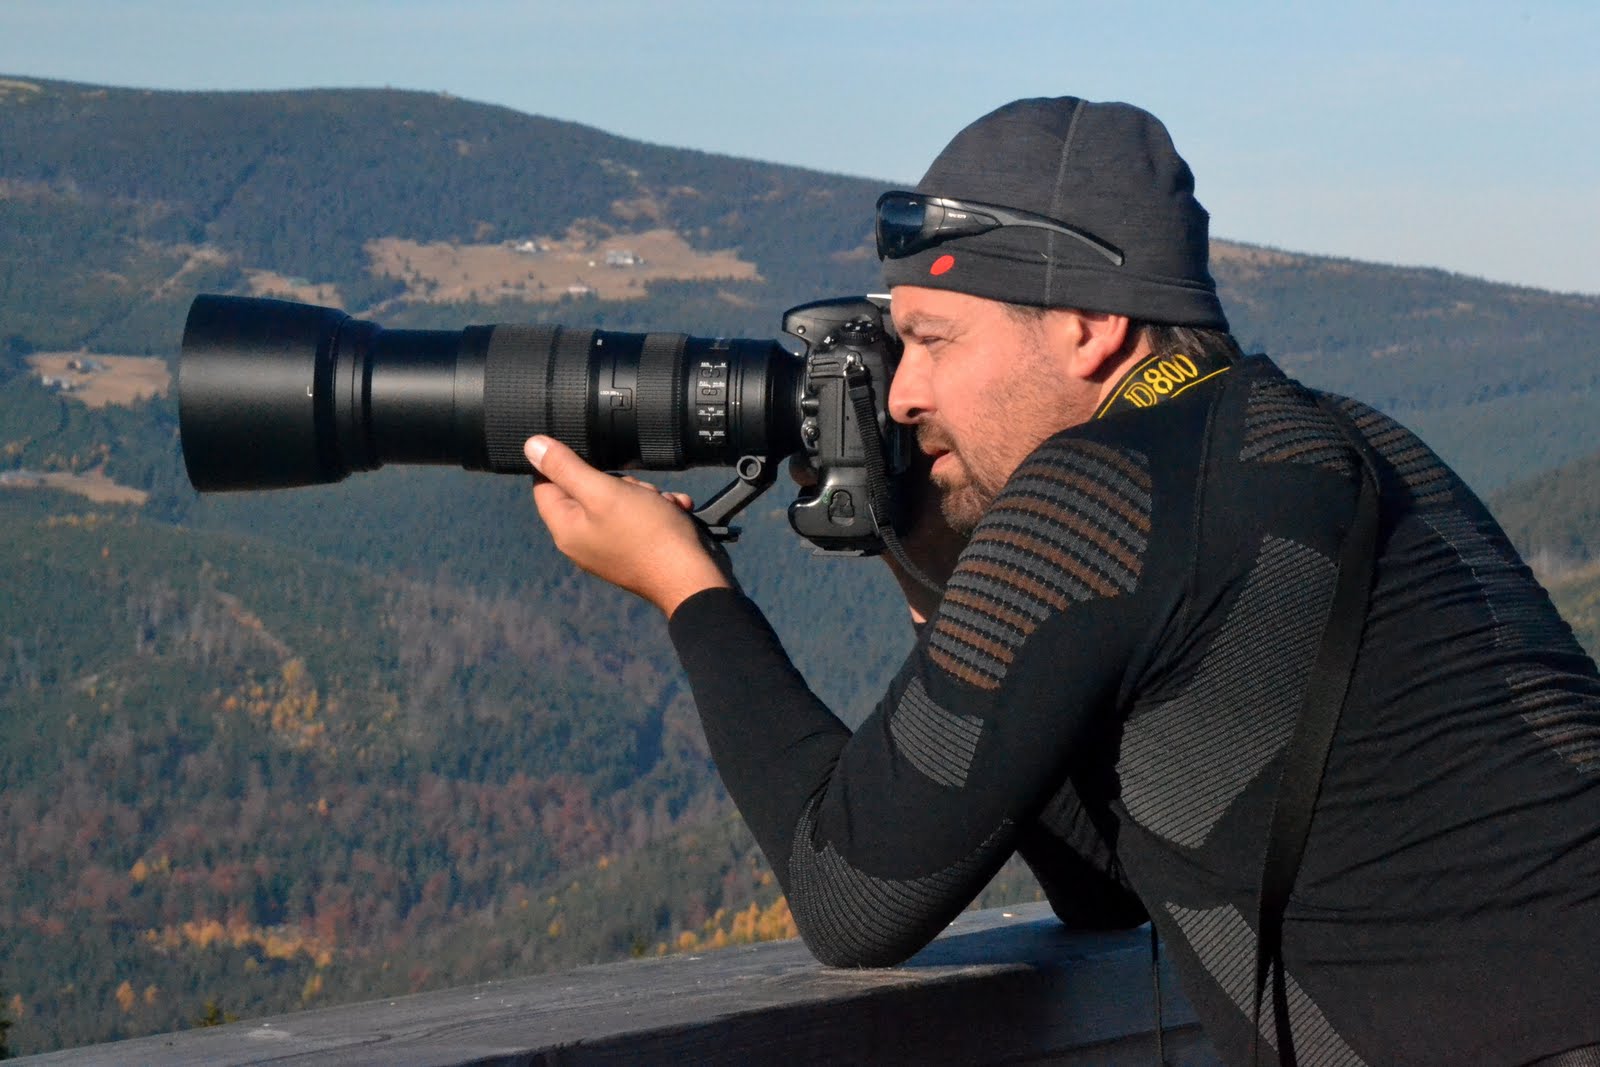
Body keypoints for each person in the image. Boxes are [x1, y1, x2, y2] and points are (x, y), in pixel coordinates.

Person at [521, 97, 1600, 1065]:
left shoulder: (1096, 488)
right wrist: (933, 563)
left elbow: (850, 895)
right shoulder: (1347, 445)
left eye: (934, 341)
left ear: (1089, 326)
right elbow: (1116, 878)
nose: (901, 395)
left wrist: (687, 585)